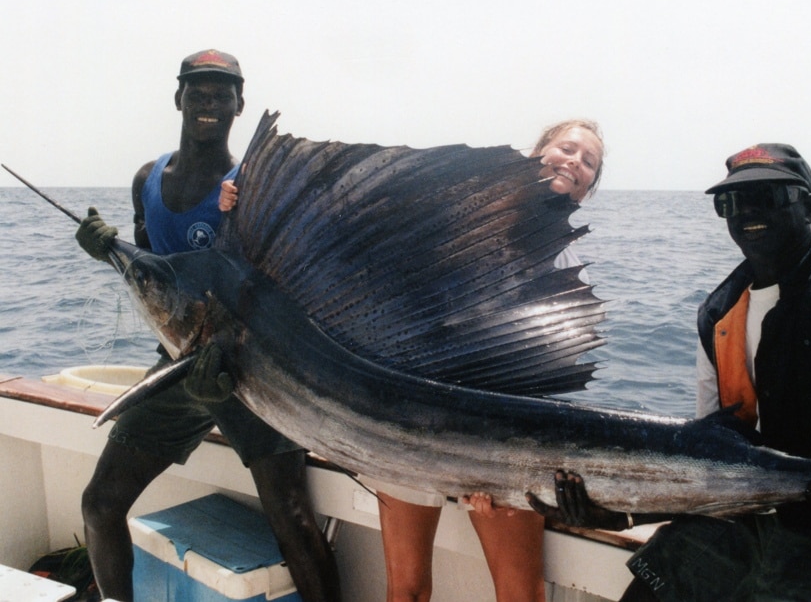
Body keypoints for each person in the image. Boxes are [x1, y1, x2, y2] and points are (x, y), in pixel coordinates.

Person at [218, 119, 604, 601]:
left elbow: (537, 374)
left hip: (497, 446)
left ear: (590, 187)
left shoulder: (561, 263)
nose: (574, 161)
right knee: (406, 590)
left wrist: (490, 469)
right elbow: (347, 220)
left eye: (589, 161)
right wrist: (248, 200)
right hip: (397, 425)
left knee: (521, 595)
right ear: (537, 152)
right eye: (566, 148)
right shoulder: (455, 205)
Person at [528, 143, 811, 601]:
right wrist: (620, 515)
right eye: (733, 202)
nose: (749, 211)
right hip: (752, 517)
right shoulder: (719, 314)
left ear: (810, 207)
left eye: (769, 196)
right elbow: (711, 460)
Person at [75, 49, 341, 602]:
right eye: (198, 91)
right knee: (99, 505)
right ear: (178, 98)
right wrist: (110, 253)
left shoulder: (250, 185)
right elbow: (156, 276)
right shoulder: (147, 179)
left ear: (239, 105)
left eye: (222, 94)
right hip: (177, 365)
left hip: (253, 372)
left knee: (290, 518)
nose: (209, 103)